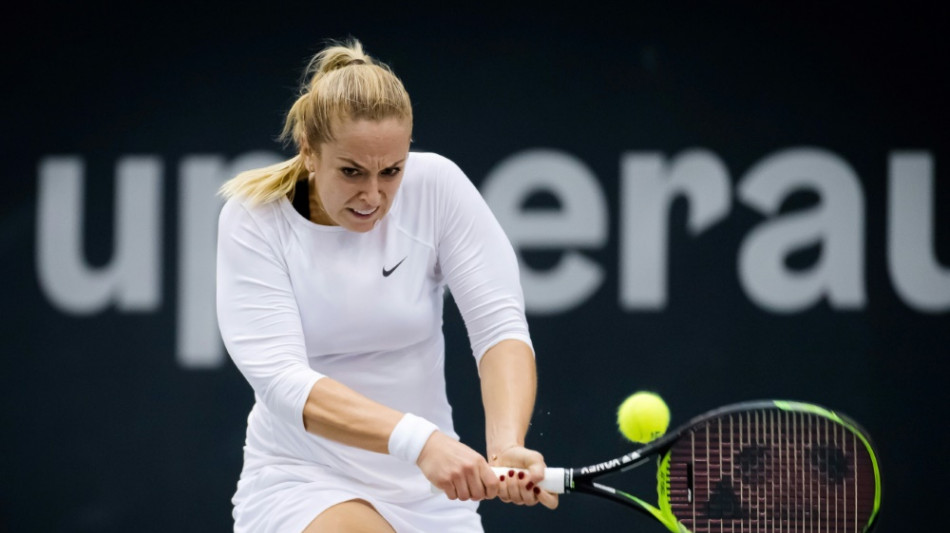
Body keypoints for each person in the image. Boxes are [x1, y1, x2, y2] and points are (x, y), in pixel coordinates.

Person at [216, 38, 557, 532]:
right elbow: (282, 382)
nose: (372, 196)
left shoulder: (438, 187)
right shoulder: (254, 220)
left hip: (431, 490)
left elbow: (499, 327)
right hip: (304, 477)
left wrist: (505, 446)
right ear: (309, 151)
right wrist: (420, 441)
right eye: (351, 172)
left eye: (392, 171)